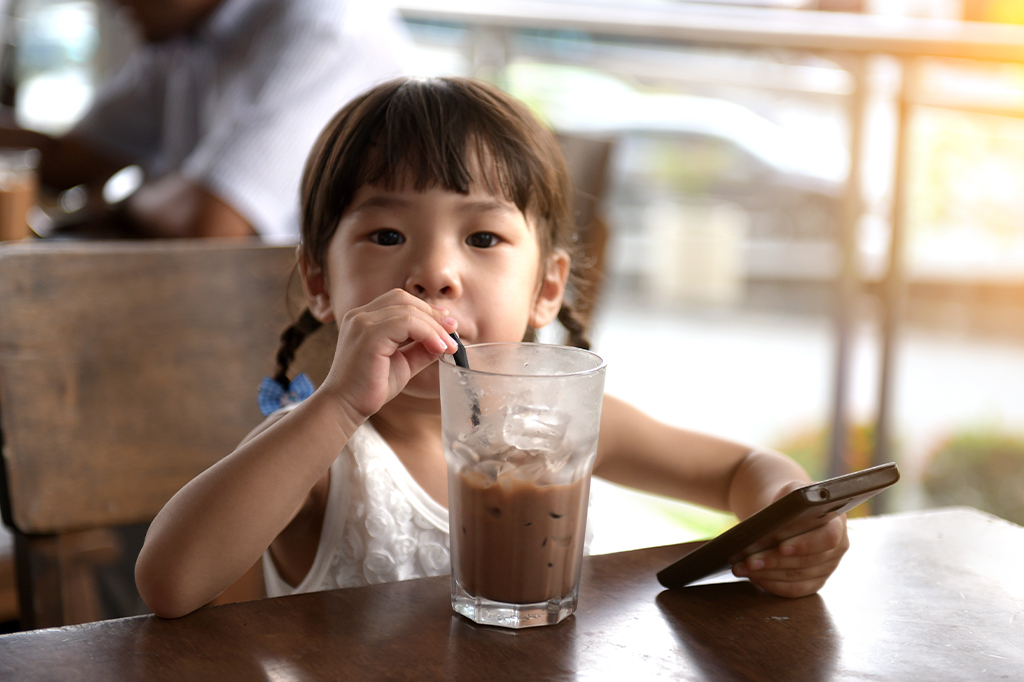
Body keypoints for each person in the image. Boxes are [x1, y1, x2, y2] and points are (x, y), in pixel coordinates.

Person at [134, 77, 850, 618]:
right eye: (387, 235)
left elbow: (743, 470)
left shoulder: (565, 423)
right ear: (321, 284)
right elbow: (169, 583)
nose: (435, 272)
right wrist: (339, 406)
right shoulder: (324, 455)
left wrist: (789, 514)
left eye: (482, 239)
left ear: (547, 288)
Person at [0, 0, 410, 241]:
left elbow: (213, 222)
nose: (111, 4)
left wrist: (122, 204)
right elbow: (72, 160)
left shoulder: (325, 26)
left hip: (310, 338)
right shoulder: (181, 32)